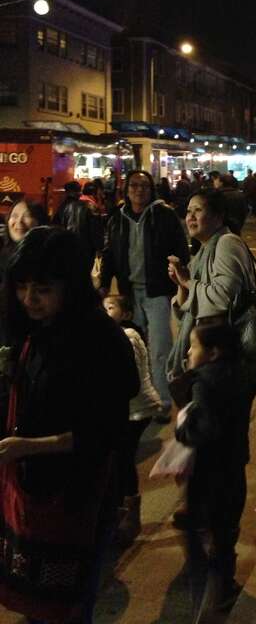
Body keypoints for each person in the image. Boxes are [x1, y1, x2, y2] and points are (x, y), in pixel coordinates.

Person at [0, 227, 139, 623]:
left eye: (42, 289)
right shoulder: (35, 328)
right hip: (31, 492)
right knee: (35, 604)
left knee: (66, 609)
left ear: (71, 286)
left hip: (78, 496)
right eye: (22, 287)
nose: (29, 298)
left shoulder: (100, 341)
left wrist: (28, 446)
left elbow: (106, 432)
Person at [166, 189, 256, 536]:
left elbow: (222, 299)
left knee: (225, 449)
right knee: (203, 440)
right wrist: (182, 285)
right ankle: (198, 507)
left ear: (219, 216)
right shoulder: (205, 249)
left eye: (198, 210)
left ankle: (222, 530)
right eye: (188, 211)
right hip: (207, 360)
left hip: (227, 365)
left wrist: (188, 282)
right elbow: (192, 307)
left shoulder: (227, 244)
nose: (190, 217)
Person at [100, 170, 189, 421]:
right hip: (128, 292)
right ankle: (139, 400)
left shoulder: (164, 215)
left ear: (152, 189)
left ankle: (163, 401)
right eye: (134, 185)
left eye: (144, 186)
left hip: (157, 292)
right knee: (134, 347)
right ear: (126, 189)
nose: (139, 190)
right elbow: (109, 253)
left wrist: (179, 277)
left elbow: (181, 249)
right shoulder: (117, 218)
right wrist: (104, 284)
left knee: (160, 348)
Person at [174, 322, 250, 617]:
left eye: (193, 346)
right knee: (226, 531)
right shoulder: (239, 374)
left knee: (201, 535)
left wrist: (182, 429)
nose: (188, 352)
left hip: (208, 473)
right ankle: (225, 586)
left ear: (214, 352)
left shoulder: (203, 382)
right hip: (234, 467)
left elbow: (204, 429)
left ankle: (210, 599)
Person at [102, 294, 161, 546]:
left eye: (110, 308)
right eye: (103, 308)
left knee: (123, 458)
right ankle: (119, 511)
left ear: (125, 314)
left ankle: (129, 513)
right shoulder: (116, 335)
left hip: (137, 409)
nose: (105, 312)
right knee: (119, 458)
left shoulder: (128, 337)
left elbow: (129, 378)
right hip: (130, 409)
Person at [52, 181, 104, 272]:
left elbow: (55, 229)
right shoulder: (89, 207)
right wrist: (99, 248)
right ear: (78, 192)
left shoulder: (62, 208)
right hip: (86, 250)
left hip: (67, 250)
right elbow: (95, 231)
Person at [0, 199, 48, 283]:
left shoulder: (49, 258)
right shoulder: (4, 254)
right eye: (14, 215)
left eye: (27, 216)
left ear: (40, 222)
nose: (19, 222)